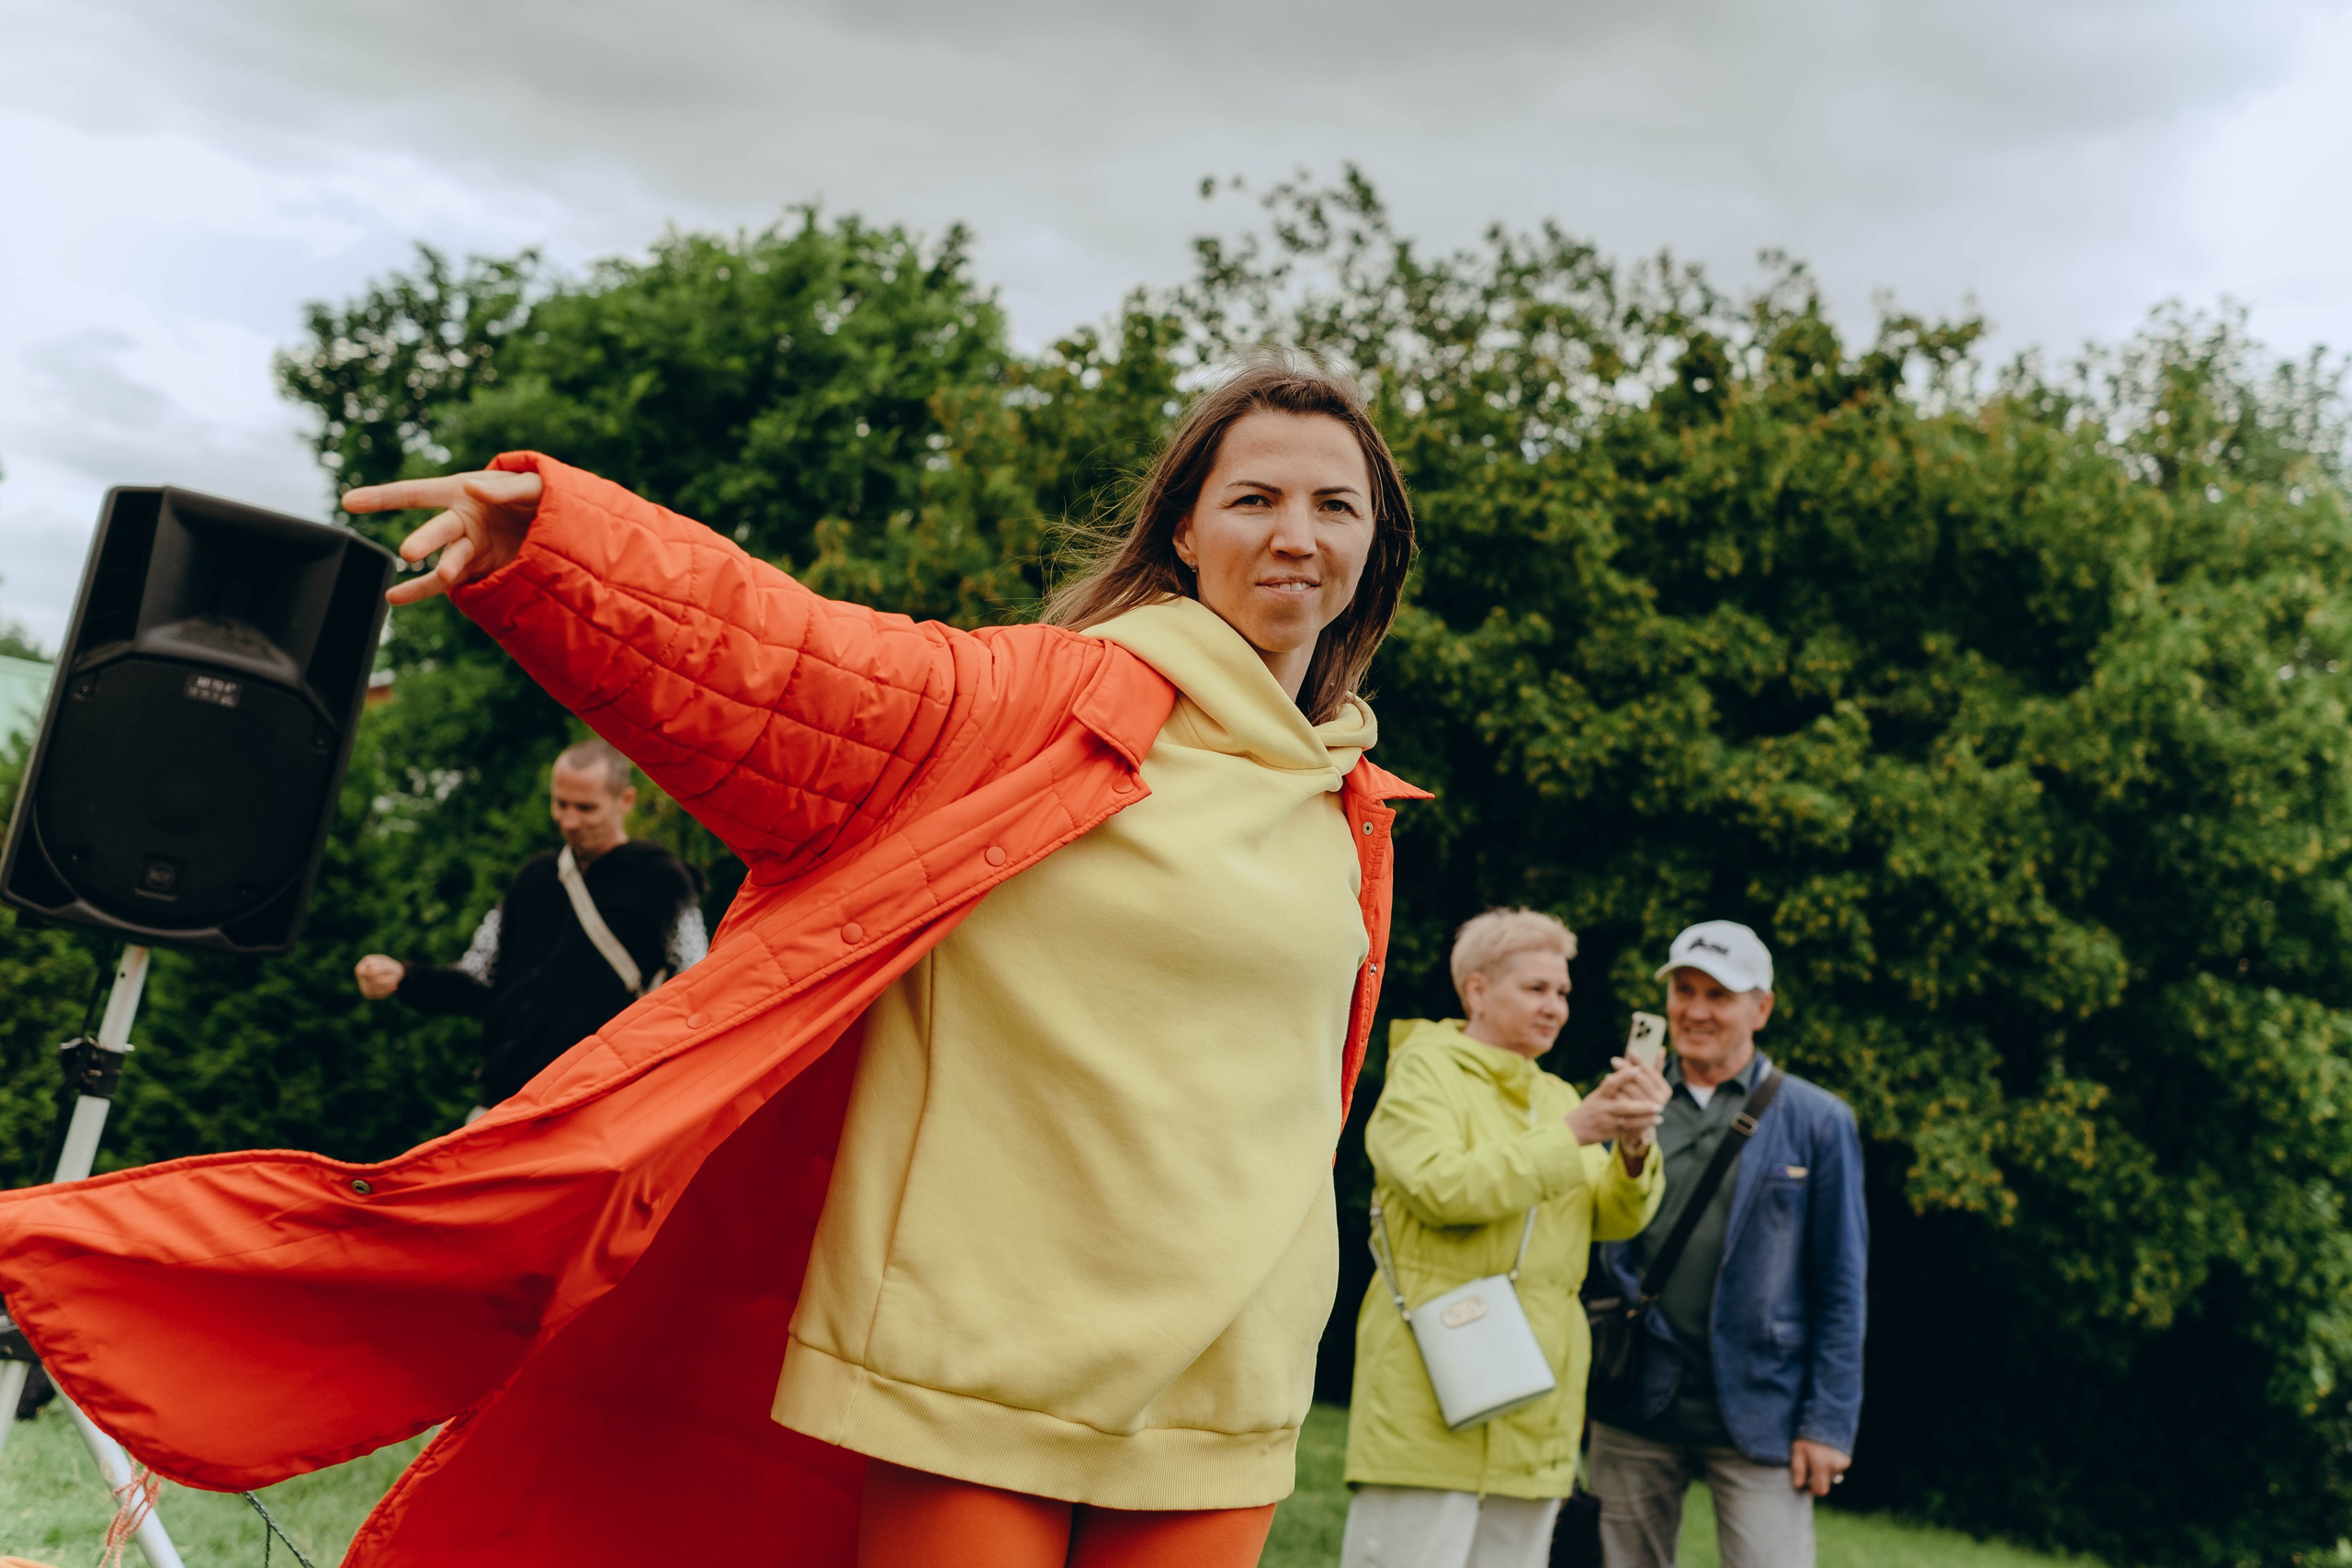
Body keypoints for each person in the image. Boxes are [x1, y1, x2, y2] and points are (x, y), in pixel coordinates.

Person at [0, 354, 1426, 1568]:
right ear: (1185, 530)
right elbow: (796, 667)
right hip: (979, 1348)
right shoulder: (1042, 705)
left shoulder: (1346, 801)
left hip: (1227, 1370)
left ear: (1375, 544)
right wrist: (564, 546)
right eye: (1255, 495)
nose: (1294, 530)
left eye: (1332, 503)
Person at [1340, 908, 1668, 1568]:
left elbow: (1609, 1216)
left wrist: (1634, 1148)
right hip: (1427, 1390)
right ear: (1477, 990)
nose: (1555, 1006)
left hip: (1535, 1402)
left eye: (1564, 992)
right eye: (1537, 988)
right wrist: (1576, 1131)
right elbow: (1441, 1188)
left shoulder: (1555, 1096)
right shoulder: (1423, 1073)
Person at [1586, 920, 1867, 1568]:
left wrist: (1827, 1423)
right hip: (1632, 1395)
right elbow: (1587, 1247)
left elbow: (1841, 1282)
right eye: (1684, 990)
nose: (1696, 1009)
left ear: (1761, 1007)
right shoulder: (1624, 1103)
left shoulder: (1818, 1120)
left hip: (1763, 1406)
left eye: (1719, 994)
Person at [353, 738, 707, 1115]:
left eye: (586, 808)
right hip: (504, 1103)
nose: (569, 821)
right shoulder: (534, 878)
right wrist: (405, 977)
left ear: (626, 801)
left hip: (602, 1109)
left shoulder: (663, 881)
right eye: (561, 804)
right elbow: (477, 978)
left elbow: (697, 988)